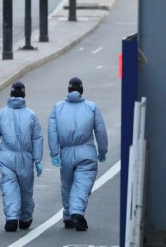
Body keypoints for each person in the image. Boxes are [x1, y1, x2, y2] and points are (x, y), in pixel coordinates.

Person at [48, 77, 108, 231]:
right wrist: (102, 150)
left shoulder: (58, 107)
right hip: (86, 151)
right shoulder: (91, 107)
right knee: (82, 183)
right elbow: (100, 130)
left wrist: (54, 153)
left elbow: (52, 130)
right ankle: (76, 213)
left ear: (68, 91)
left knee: (67, 184)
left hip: (66, 152)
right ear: (82, 91)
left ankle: (68, 214)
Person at [0, 81, 43, 232]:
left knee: (9, 186)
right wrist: (37, 160)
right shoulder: (31, 115)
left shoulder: (1, 114)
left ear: (11, 94)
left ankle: (11, 217)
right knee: (26, 189)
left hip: (6, 156)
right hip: (25, 157)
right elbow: (37, 138)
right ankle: (25, 217)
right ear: (24, 95)